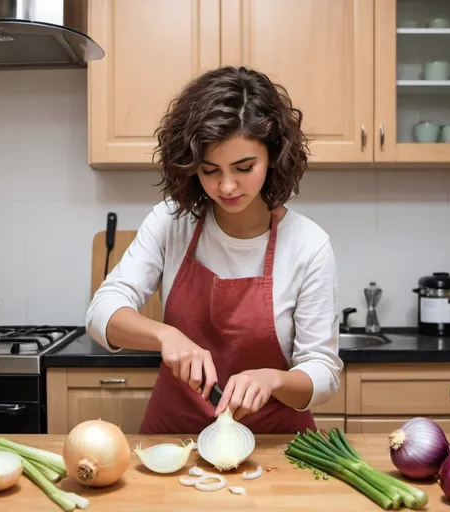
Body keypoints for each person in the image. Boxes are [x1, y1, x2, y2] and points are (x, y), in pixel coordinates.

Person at [85, 66, 343, 435]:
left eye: (244, 167)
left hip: (274, 443)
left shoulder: (308, 244)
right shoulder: (171, 222)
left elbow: (324, 371)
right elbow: (101, 311)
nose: (226, 186)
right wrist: (164, 336)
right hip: (176, 437)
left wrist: (273, 380)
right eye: (210, 170)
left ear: (273, 157)